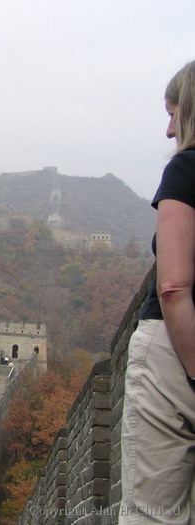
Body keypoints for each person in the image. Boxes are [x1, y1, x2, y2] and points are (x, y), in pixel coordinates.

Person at [120, 60, 195, 523]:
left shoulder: (186, 169)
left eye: (174, 114)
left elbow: (171, 287)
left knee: (155, 511)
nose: (169, 131)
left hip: (174, 355)